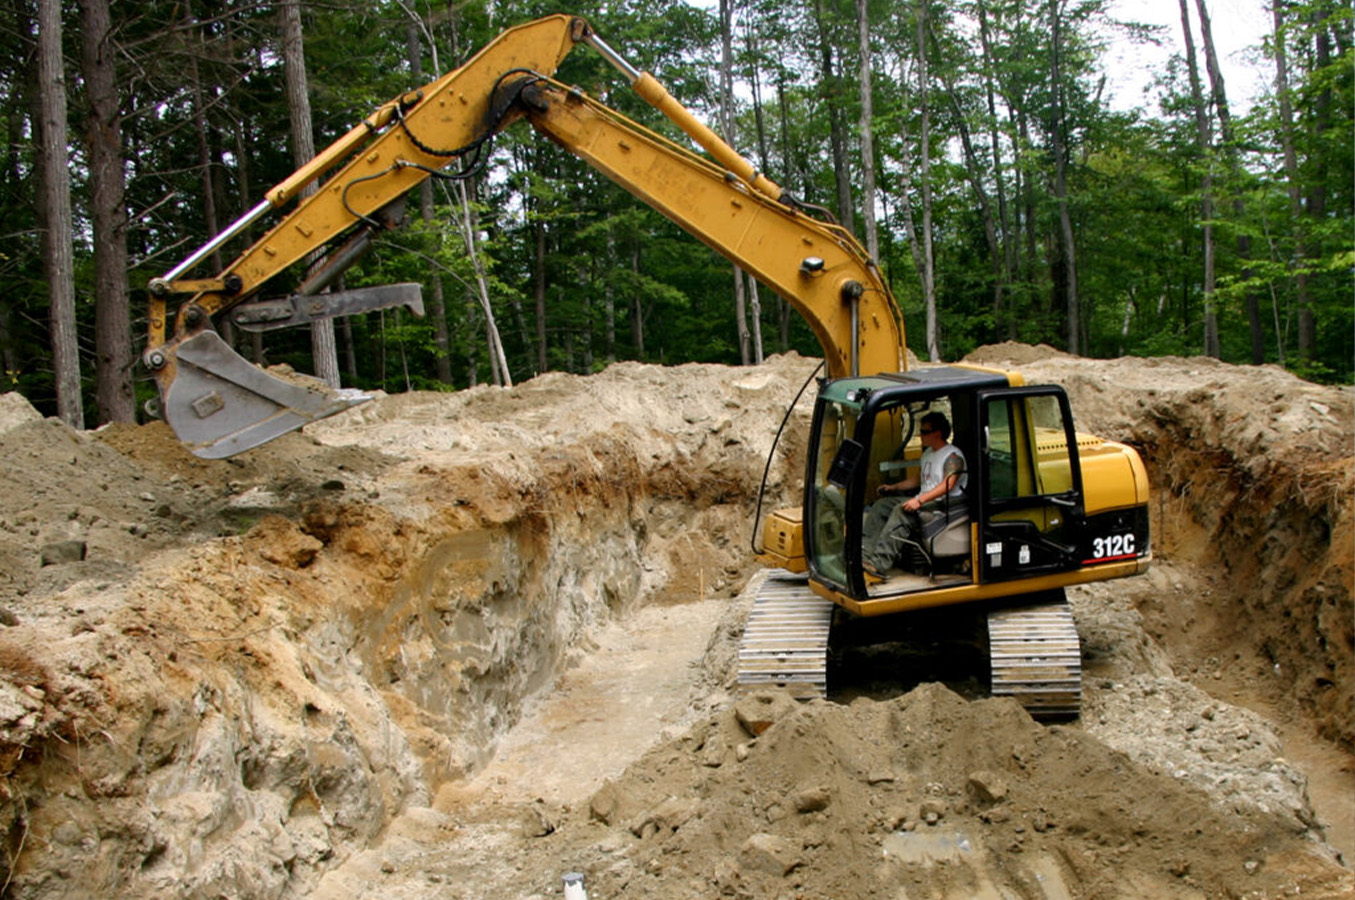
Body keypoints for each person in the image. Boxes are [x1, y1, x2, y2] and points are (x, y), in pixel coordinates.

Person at [862, 411, 966, 577]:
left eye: (925, 432)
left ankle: (879, 564)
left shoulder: (953, 456)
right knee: (882, 505)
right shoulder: (928, 454)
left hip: (942, 506)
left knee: (901, 511)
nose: (920, 435)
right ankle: (865, 554)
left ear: (937, 433)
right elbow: (919, 479)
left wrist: (919, 500)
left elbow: (948, 484)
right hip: (925, 500)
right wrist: (893, 487)